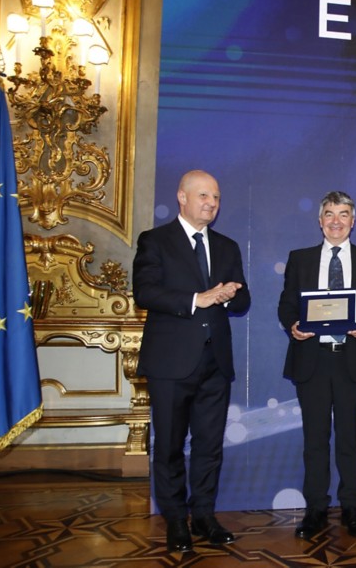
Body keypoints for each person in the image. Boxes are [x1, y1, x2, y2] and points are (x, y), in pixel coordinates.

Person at [133, 169, 251, 552]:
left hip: (215, 363)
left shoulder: (227, 246)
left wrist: (229, 296)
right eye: (204, 195)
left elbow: (243, 299)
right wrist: (197, 299)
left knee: (208, 446)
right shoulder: (155, 241)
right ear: (182, 197)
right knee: (168, 445)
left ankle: (203, 516)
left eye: (216, 197)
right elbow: (144, 292)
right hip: (170, 362)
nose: (211, 203)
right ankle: (175, 520)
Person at [277, 191, 356, 539]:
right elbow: (286, 304)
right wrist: (293, 325)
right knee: (314, 440)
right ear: (320, 220)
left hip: (351, 360)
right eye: (329, 214)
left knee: (350, 440)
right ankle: (316, 509)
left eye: (343, 215)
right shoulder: (300, 259)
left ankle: (352, 508)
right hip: (312, 360)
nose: (336, 221)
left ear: (353, 221)